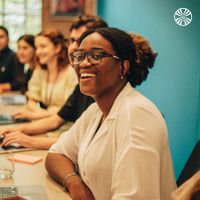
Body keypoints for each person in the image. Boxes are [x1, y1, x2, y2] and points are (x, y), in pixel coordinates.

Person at [45, 27, 176, 199]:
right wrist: (74, 183)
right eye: (79, 55)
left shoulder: (136, 114)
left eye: (97, 55)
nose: (83, 63)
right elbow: (56, 155)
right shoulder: (95, 111)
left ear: (123, 66)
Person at [0, 15, 107, 149]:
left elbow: (84, 141)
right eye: (72, 41)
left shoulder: (102, 91)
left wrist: (29, 139)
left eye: (80, 41)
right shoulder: (83, 82)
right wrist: (16, 131)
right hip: (61, 138)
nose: (74, 47)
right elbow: (56, 119)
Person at [12, 29, 78, 121]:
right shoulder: (40, 72)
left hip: (66, 124)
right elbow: (31, 99)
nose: (38, 52)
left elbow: (68, 110)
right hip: (46, 120)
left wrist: (36, 115)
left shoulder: (72, 73)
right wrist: (39, 113)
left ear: (57, 47)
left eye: (43, 46)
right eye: (36, 47)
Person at [0, 26, 19, 93]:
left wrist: (3, 87)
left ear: (8, 39)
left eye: (1, 37)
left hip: (9, 95)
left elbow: (18, 83)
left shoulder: (15, 57)